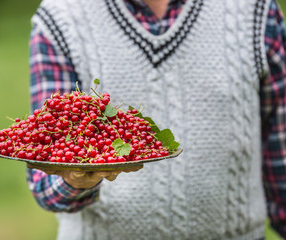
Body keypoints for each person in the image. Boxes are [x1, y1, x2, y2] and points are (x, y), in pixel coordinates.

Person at [26, 0, 286, 239]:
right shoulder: (62, 18)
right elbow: (45, 182)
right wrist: (73, 179)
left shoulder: (254, 10)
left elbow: (281, 154)